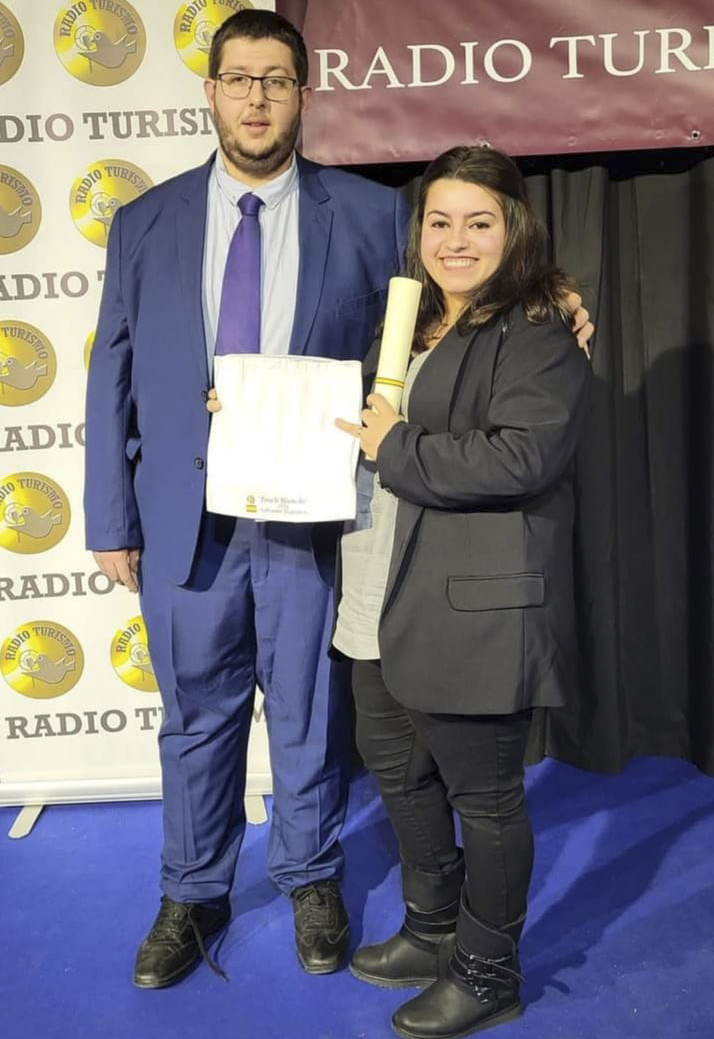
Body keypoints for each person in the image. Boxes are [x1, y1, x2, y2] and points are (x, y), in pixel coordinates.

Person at [84, 9, 410, 988]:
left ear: (304, 93)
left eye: (276, 79)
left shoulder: (373, 213)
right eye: (239, 78)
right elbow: (113, 373)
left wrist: (549, 295)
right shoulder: (146, 220)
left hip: (310, 513)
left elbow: (439, 323)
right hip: (188, 522)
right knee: (195, 715)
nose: (257, 97)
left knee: (309, 710)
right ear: (212, 90)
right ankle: (192, 890)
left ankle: (311, 875)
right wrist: (109, 516)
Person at [332, 146, 592, 1038]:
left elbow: (524, 456)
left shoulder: (539, 329)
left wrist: (395, 445)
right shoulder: (406, 322)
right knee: (400, 773)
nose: (455, 239)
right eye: (439, 220)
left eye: (479, 220)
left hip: (474, 606)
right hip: (379, 587)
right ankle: (433, 926)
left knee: (484, 799)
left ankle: (488, 970)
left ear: (513, 226)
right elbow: (360, 421)